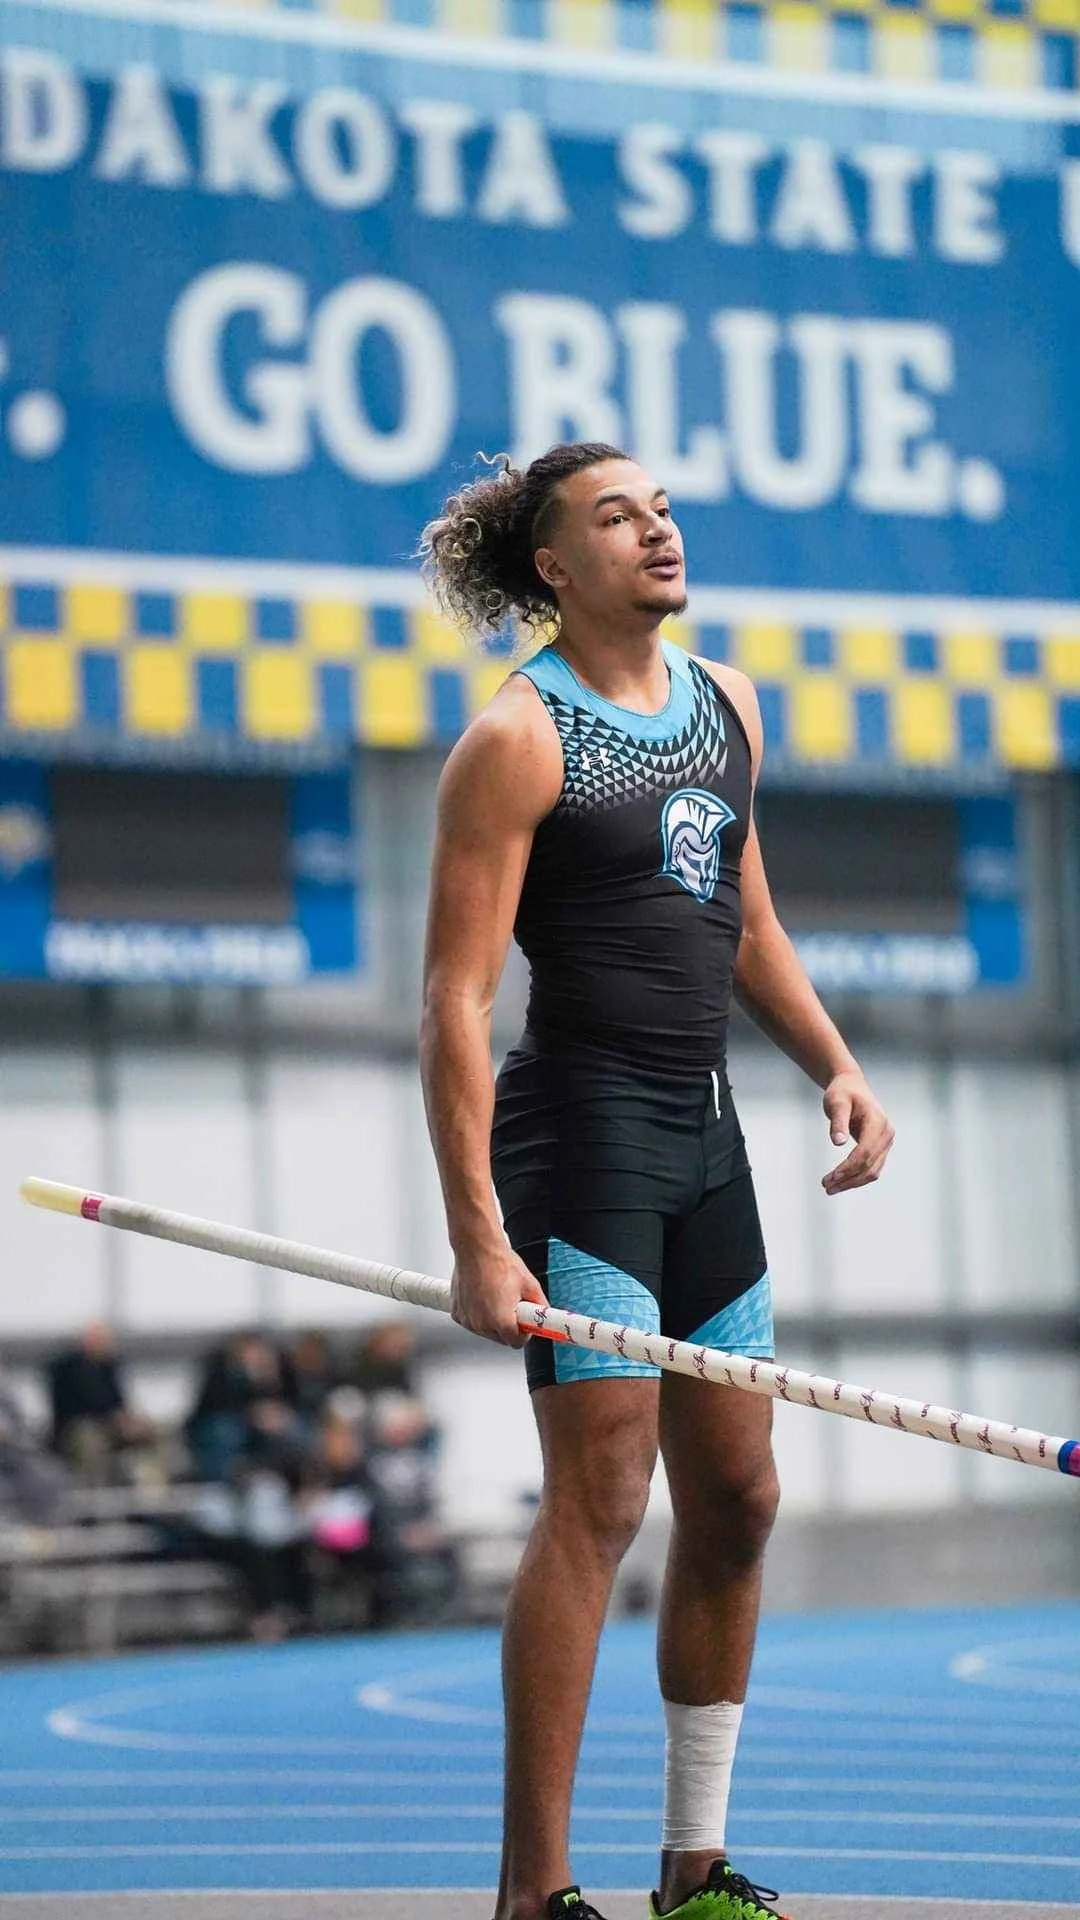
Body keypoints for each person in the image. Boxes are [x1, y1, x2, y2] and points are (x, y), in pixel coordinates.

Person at [418, 443, 895, 1920]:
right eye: (616, 517)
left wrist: (834, 1060)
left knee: (740, 1498)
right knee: (602, 1496)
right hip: (580, 1141)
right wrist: (477, 1238)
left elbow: (742, 919)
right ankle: (533, 1891)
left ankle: (693, 1868)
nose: (655, 533)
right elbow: (450, 1003)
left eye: (663, 509)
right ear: (554, 567)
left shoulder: (727, 704)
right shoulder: (517, 739)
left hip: (703, 1134)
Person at [45, 1322, 158, 1487]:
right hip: (76, 1428)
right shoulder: (65, 1367)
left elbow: (119, 1401)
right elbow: (71, 1408)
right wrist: (113, 1418)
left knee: (153, 1431)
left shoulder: (109, 1366)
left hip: (110, 1425)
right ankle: (96, 1496)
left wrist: (131, 1420)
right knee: (90, 1438)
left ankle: (151, 1492)